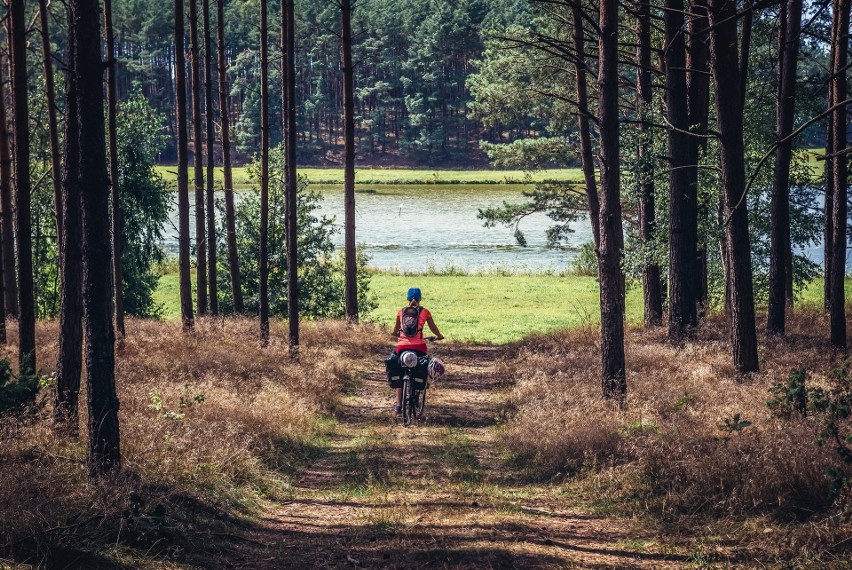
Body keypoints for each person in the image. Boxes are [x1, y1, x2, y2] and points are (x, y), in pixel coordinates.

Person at [390, 287, 443, 414]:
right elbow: (433, 328)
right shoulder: (425, 312)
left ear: (407, 299)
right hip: (419, 347)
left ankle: (398, 405)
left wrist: (402, 337)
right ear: (420, 299)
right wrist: (439, 336)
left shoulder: (401, 312)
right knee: (423, 366)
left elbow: (394, 332)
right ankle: (420, 389)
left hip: (402, 347)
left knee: (399, 371)